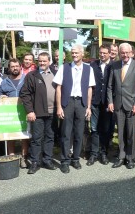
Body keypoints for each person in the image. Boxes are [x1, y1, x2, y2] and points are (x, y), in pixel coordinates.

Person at [53, 44, 95, 173]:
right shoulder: (64, 68)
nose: (74, 55)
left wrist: (88, 107)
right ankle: (65, 160)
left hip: (81, 103)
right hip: (68, 102)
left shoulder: (88, 69)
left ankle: (75, 159)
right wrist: (59, 106)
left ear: (82, 54)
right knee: (66, 133)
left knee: (79, 132)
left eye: (77, 53)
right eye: (73, 53)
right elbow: (58, 88)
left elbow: (89, 89)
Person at [107, 43, 135, 169]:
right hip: (118, 105)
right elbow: (109, 86)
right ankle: (121, 157)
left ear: (132, 53)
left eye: (127, 52)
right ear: (119, 53)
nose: (125, 55)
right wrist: (110, 101)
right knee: (121, 133)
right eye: (122, 53)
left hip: (132, 105)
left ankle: (130, 158)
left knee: (131, 133)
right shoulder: (115, 65)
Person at [20, 52, 57, 174]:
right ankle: (35, 162)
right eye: (40, 61)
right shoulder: (32, 75)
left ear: (49, 61)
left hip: (53, 112)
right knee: (36, 138)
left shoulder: (55, 74)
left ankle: (47, 160)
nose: (42, 63)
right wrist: (30, 111)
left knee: (50, 137)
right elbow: (25, 94)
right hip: (38, 113)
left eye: (44, 61)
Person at [0, 58, 27, 163]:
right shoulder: (5, 82)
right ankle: (12, 156)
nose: (15, 68)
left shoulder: (26, 79)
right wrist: (1, 96)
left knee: (24, 134)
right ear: (9, 68)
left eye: (17, 66)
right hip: (10, 112)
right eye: (12, 66)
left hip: (24, 110)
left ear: (20, 67)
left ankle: (24, 156)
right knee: (10, 135)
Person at [88, 45, 113, 166]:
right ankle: (93, 153)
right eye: (100, 53)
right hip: (95, 101)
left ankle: (104, 153)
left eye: (104, 53)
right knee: (94, 128)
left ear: (109, 54)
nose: (102, 55)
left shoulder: (114, 65)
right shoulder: (93, 65)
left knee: (106, 129)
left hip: (108, 103)